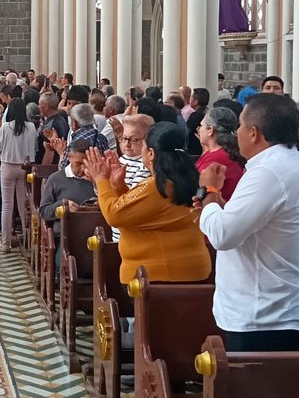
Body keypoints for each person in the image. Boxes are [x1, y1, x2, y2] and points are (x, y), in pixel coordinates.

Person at [198, 94, 299, 351]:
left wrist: (209, 192)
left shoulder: (269, 173)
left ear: (254, 133)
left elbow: (222, 235)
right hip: (277, 309)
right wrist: (221, 206)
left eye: (240, 127)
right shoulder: (292, 164)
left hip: (262, 315)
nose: (237, 133)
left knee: (252, 391)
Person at [84, 122, 212, 285]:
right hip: (193, 273)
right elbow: (139, 212)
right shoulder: (188, 180)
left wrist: (101, 180)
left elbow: (113, 215)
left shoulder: (157, 186)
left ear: (150, 153)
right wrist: (118, 187)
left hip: (156, 279)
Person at [0, 98, 37, 252]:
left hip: (8, 166)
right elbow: (35, 148)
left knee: (7, 205)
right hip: (26, 167)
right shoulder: (31, 127)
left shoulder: (5, 127)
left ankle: (5, 243)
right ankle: (28, 240)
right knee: (24, 204)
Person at [195, 107, 246, 200]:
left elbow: (198, 190)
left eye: (201, 126)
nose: (199, 130)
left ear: (210, 130)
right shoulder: (222, 152)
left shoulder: (216, 159)